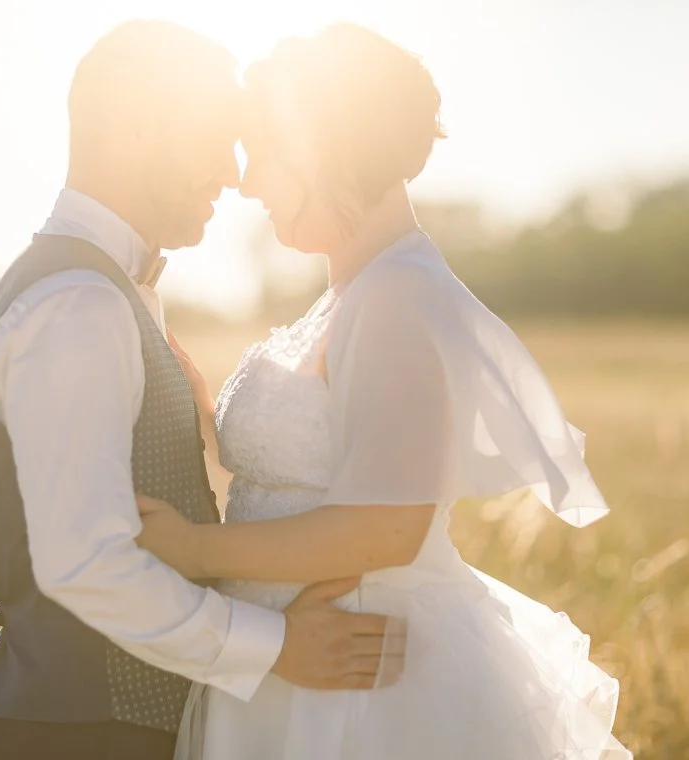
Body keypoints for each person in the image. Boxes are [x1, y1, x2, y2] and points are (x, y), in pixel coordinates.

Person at [135, 23, 634, 760]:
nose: (247, 180)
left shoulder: (398, 297)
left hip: (364, 685)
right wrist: (203, 410)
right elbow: (307, 467)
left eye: (264, 152)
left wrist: (193, 550)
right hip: (294, 663)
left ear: (323, 148)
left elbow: (388, 527)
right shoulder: (358, 288)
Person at [0, 20, 405, 760]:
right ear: (137, 128)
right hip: (82, 740)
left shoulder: (101, 288)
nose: (233, 173)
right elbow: (87, 562)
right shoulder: (79, 304)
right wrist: (278, 645)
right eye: (215, 138)